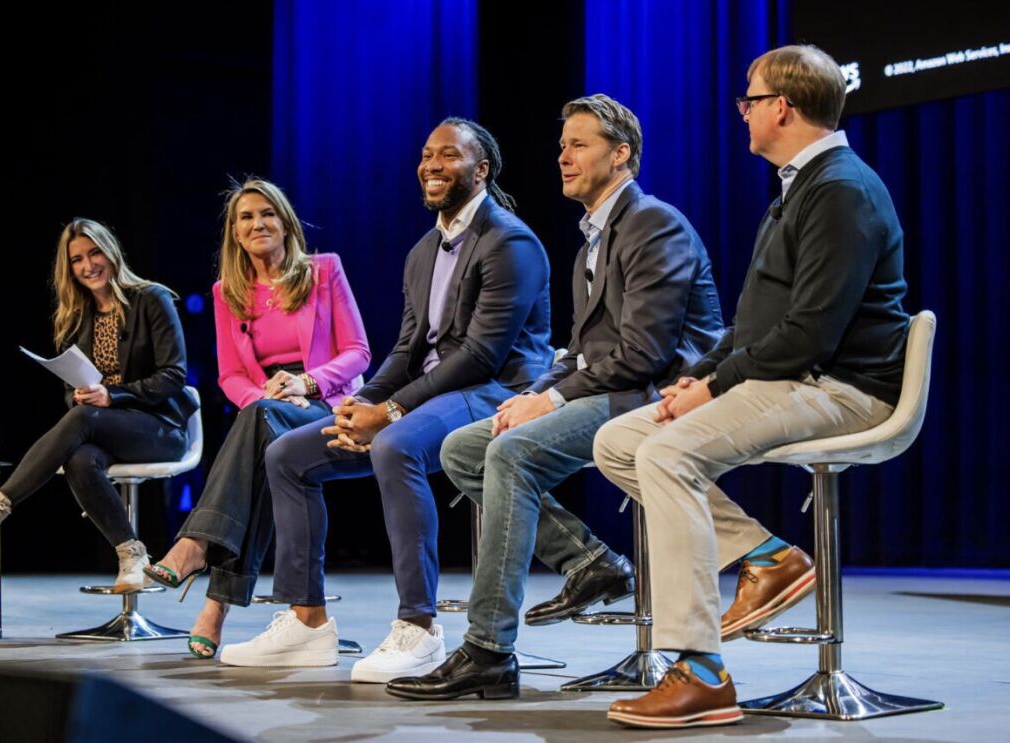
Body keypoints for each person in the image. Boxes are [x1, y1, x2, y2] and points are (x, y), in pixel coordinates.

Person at [593, 44, 909, 729]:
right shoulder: (802, 186)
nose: (742, 113)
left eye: (750, 99)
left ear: (783, 108)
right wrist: (701, 377)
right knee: (620, 439)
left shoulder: (841, 190)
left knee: (668, 452)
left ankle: (701, 670)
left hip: (844, 387)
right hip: (795, 374)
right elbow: (753, 325)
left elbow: (809, 336)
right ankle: (767, 555)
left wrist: (711, 393)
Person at [386, 94, 724, 701]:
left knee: (510, 453)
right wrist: (538, 392)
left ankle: (488, 649)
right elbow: (577, 352)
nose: (562, 157)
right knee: (468, 447)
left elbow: (644, 357)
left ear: (621, 155)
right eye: (562, 145)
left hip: (657, 396)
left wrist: (551, 401)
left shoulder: (653, 222)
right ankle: (588, 561)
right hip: (614, 388)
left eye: (579, 144)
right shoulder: (592, 238)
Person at [217, 118, 552, 684]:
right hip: (426, 394)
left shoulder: (510, 240)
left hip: (494, 391)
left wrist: (388, 414)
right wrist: (360, 403)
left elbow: (478, 356)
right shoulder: (423, 251)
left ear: (482, 169)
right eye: (426, 155)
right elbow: (404, 351)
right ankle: (306, 620)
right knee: (288, 455)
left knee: (393, 446)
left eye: (448, 155)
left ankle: (419, 628)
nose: (431, 165)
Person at [142, 179, 371, 658]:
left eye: (267, 213)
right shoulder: (227, 292)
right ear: (235, 234)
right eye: (246, 217)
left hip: (326, 405)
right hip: (266, 412)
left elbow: (358, 352)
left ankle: (198, 552)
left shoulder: (324, 270)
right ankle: (213, 602)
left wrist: (305, 384)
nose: (257, 223)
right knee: (265, 438)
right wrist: (266, 395)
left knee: (263, 426)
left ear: (286, 224)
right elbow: (229, 376)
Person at [0, 218, 198, 594]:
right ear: (69, 268)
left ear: (111, 253)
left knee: (82, 419)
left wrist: (112, 396)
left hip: (159, 428)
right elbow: (71, 389)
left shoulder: (151, 299)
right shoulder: (77, 317)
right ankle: (132, 555)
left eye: (95, 253)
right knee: (79, 458)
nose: (88, 265)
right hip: (105, 426)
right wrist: (81, 395)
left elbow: (173, 375)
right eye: (77, 259)